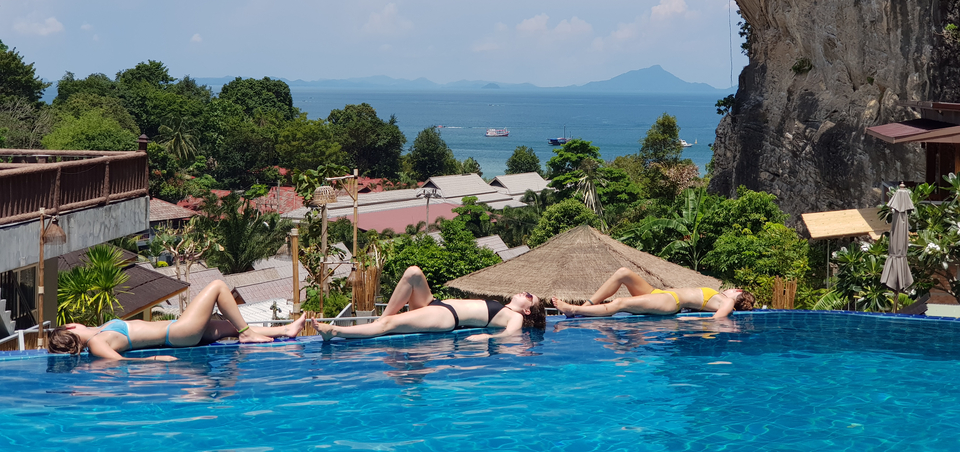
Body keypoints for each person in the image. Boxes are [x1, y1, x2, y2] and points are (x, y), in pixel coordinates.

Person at [48, 279, 307, 361]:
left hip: (180, 332)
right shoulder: (96, 343)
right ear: (71, 327)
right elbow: (121, 364)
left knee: (229, 326)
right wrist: (156, 360)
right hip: (179, 332)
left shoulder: (98, 334)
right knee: (217, 286)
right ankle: (247, 334)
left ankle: (287, 329)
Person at [314, 265, 546, 342]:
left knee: (390, 325)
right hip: (436, 304)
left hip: (446, 317)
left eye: (528, 295)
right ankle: (379, 321)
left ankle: (335, 331)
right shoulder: (504, 307)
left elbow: (511, 335)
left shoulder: (516, 316)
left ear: (527, 310)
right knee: (413, 273)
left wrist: (488, 338)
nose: (523, 292)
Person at [551, 267, 755, 320]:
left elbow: (718, 318)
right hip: (661, 294)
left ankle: (574, 309)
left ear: (738, 292)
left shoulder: (727, 300)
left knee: (621, 302)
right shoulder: (721, 297)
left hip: (670, 302)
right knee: (623, 273)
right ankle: (586, 307)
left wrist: (691, 323)